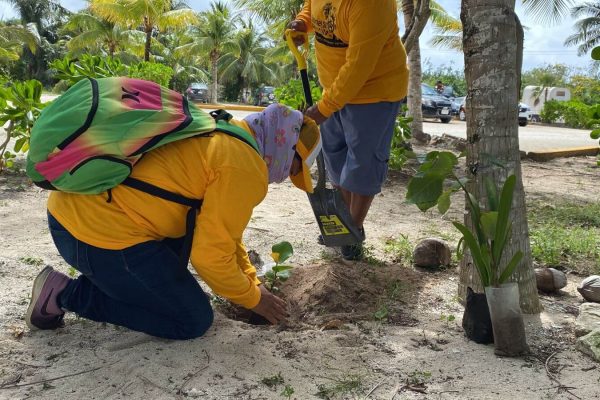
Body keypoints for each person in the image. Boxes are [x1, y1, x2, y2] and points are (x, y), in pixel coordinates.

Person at [25, 103, 322, 340]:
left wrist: (251, 280)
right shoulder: (246, 167)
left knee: (180, 266)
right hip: (92, 234)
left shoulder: (228, 129)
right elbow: (209, 257)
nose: (285, 176)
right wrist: (253, 299)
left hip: (77, 212)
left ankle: (121, 283)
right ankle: (65, 294)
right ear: (286, 146)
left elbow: (225, 232)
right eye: (294, 168)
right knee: (191, 319)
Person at [288, 0, 409, 261]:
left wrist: (324, 108)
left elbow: (358, 66)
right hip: (333, 87)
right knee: (336, 157)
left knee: (363, 163)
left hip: (374, 92)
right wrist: (303, 22)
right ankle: (345, 224)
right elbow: (313, 5)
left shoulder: (373, 4)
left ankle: (352, 231)